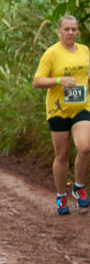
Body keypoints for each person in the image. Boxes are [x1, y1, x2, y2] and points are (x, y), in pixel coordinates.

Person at [32, 15, 90, 215]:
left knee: (85, 147)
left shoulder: (85, 51)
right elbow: (37, 81)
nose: (71, 33)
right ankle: (60, 195)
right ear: (59, 31)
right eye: (67, 29)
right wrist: (59, 80)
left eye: (74, 29)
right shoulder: (51, 54)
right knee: (62, 154)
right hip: (58, 108)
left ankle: (79, 186)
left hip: (82, 107)